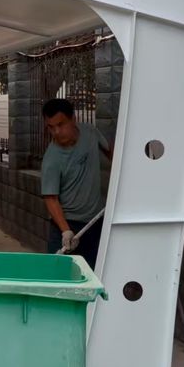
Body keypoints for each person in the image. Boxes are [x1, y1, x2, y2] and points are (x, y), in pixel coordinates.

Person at [41, 98, 111, 269]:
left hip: (94, 223)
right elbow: (50, 198)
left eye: (61, 124)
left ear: (73, 119)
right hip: (67, 226)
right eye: (51, 127)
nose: (57, 132)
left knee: (93, 272)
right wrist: (66, 231)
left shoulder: (90, 133)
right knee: (59, 274)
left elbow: (110, 152)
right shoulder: (52, 159)